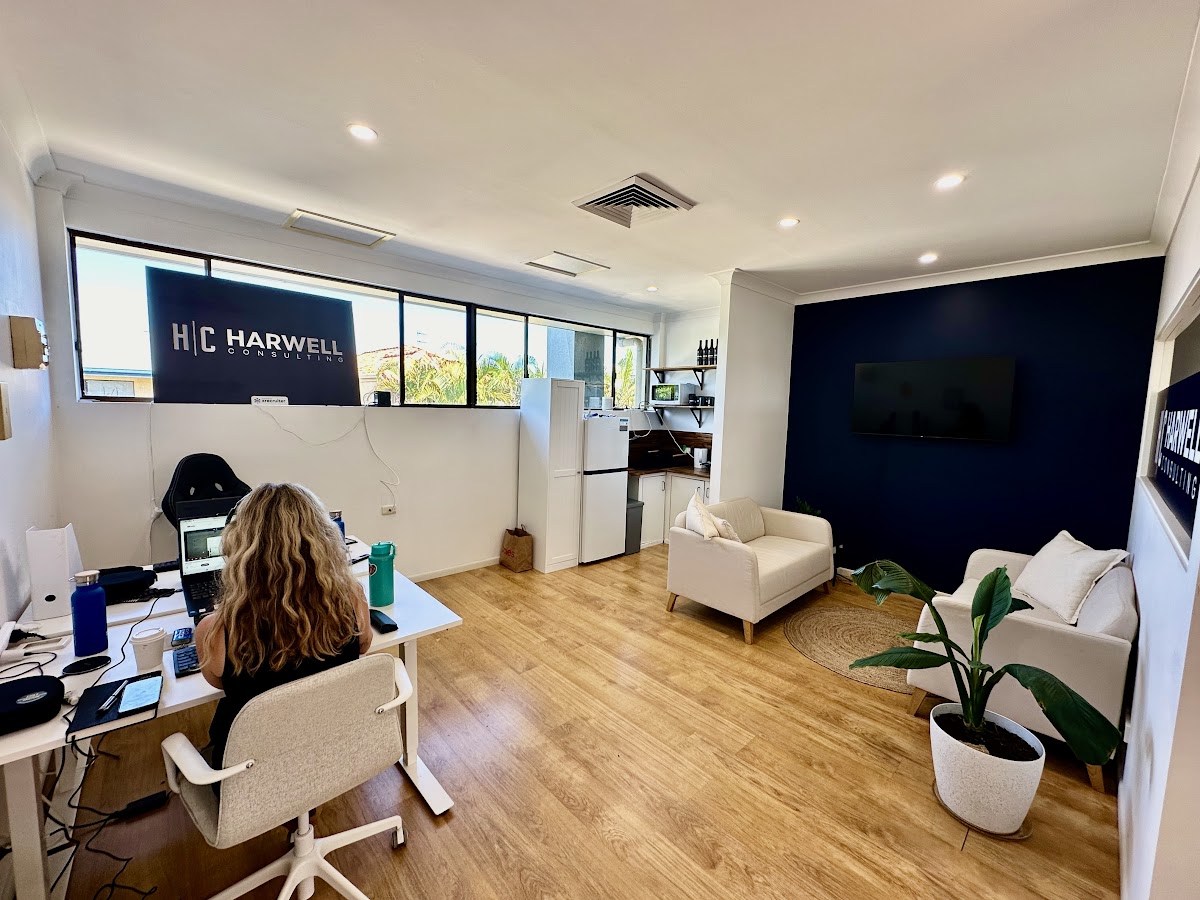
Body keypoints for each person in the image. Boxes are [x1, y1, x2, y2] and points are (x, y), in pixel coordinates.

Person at [196, 482, 373, 768]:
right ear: (324, 539)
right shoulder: (351, 598)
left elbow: (218, 682)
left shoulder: (215, 630)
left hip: (251, 774)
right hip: (334, 753)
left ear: (239, 545)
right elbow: (363, 646)